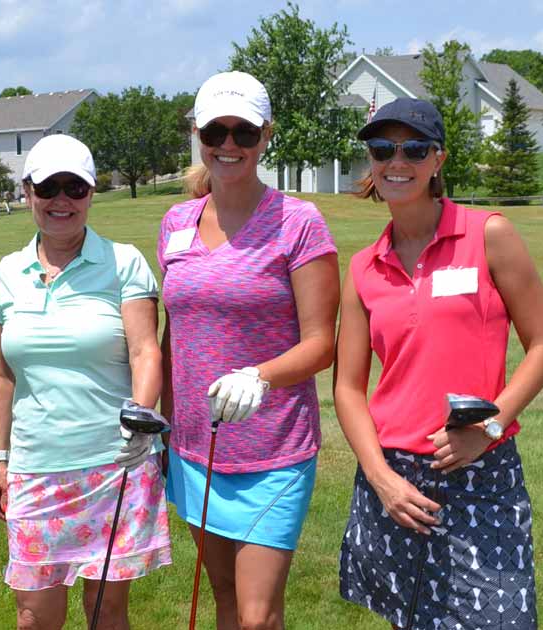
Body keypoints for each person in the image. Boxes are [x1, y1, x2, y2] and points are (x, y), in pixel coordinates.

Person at [334, 97, 543, 629]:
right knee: (409, 619)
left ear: (438, 160)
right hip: (395, 480)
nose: (397, 161)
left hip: (481, 465)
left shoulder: (488, 234)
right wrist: (379, 476)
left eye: (414, 148)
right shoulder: (364, 266)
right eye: (383, 148)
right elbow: (347, 388)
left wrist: (490, 426)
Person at [159, 71, 340, 630]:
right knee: (225, 599)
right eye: (217, 130)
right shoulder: (176, 222)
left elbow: (320, 344)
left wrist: (257, 376)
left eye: (243, 131)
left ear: (265, 136)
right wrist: (156, 424)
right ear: (198, 134)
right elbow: (174, 334)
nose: (229, 144)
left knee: (258, 616)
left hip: (274, 448)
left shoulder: (298, 222)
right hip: (195, 447)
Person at [0, 134, 171, 630]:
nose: (61, 200)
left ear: (90, 193)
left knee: (105, 613)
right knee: (33, 616)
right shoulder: (8, 272)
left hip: (114, 464)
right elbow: (2, 371)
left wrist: (141, 423)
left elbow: (144, 350)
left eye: (75, 188)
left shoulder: (124, 261)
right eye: (49, 188)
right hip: (35, 467)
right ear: (28, 193)